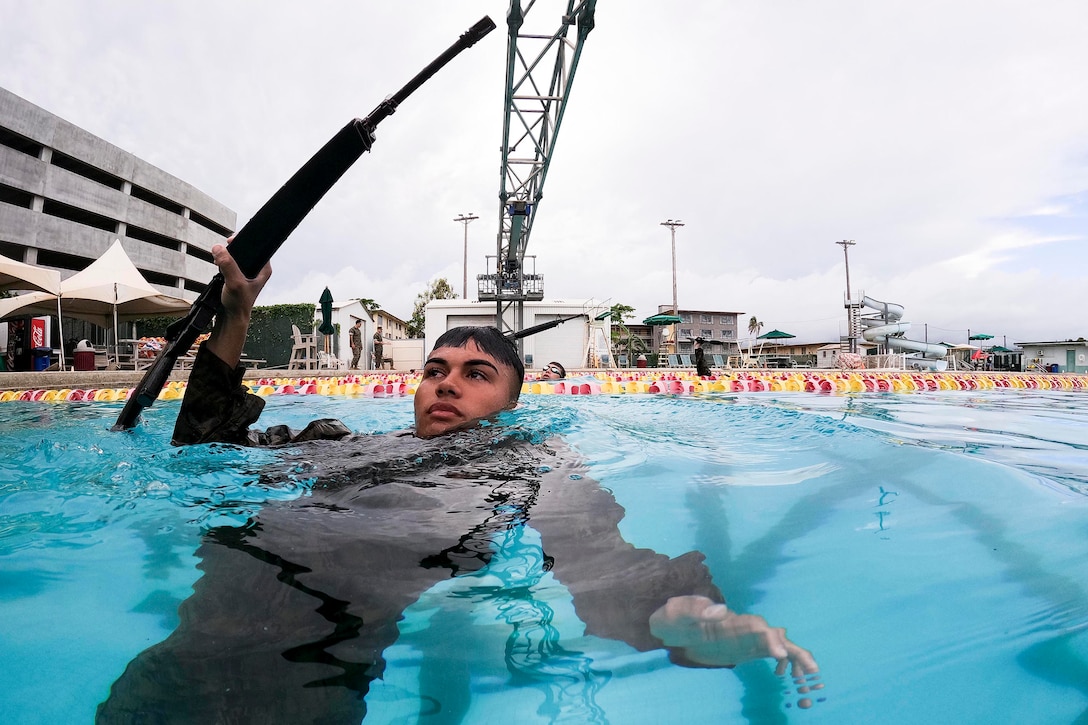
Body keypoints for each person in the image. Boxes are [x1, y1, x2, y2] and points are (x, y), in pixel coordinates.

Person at [97, 244, 820, 722]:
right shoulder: (340, 442)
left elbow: (598, 553)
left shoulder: (524, 465)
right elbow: (205, 451)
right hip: (176, 666)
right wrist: (236, 317)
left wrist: (691, 618)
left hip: (306, 675)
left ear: (511, 402)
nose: (447, 385)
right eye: (436, 371)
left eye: (477, 375)